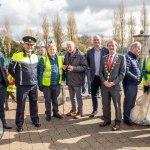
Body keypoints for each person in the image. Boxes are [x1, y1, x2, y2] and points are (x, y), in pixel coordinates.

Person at [8, 36, 41, 132]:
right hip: (22, 86)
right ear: (24, 44)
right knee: (21, 105)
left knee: (34, 103)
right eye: (28, 44)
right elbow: (10, 70)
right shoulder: (17, 55)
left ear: (33, 46)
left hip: (33, 85)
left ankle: (35, 120)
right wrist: (18, 78)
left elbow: (36, 70)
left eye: (31, 45)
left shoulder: (35, 56)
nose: (29, 46)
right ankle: (19, 124)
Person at [99, 40, 126, 131]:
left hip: (116, 87)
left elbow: (122, 73)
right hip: (105, 86)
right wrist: (104, 82)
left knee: (117, 105)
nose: (111, 47)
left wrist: (113, 82)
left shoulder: (122, 58)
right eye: (109, 46)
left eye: (113, 45)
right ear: (107, 47)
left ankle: (118, 122)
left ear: (116, 46)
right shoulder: (103, 58)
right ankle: (107, 120)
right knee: (105, 104)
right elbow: (100, 72)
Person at [37, 43, 63, 121]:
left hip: (57, 84)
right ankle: (48, 114)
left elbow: (62, 70)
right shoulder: (43, 59)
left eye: (53, 49)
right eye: (50, 49)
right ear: (48, 50)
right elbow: (40, 73)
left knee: (55, 99)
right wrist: (40, 84)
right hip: (46, 85)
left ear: (56, 50)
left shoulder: (60, 59)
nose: (52, 51)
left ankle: (55, 112)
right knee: (48, 100)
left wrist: (63, 81)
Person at [63, 41, 87, 119]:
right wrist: (64, 67)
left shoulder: (81, 55)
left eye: (70, 46)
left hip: (77, 79)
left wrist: (74, 68)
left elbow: (84, 67)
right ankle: (73, 110)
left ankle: (80, 111)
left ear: (74, 46)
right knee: (71, 96)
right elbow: (65, 64)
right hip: (69, 79)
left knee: (78, 97)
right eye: (67, 47)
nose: (69, 48)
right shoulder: (66, 54)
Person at [87, 35, 109, 117]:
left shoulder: (106, 50)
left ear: (101, 41)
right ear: (93, 41)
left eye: (98, 40)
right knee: (94, 94)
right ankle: (95, 110)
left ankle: (105, 113)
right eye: (95, 40)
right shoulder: (89, 52)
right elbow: (88, 63)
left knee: (104, 96)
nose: (96, 41)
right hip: (94, 77)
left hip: (103, 78)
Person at [123, 41, 142, 126]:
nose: (140, 50)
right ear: (133, 48)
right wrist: (136, 78)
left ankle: (130, 117)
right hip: (129, 84)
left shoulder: (134, 58)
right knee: (129, 101)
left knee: (132, 101)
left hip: (134, 84)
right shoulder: (127, 57)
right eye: (139, 48)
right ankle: (126, 118)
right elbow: (126, 71)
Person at [0, 52, 12, 129]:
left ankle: (3, 123)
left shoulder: (1, 54)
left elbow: (3, 68)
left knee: (1, 105)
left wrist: (6, 81)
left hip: (2, 84)